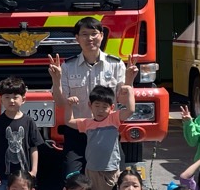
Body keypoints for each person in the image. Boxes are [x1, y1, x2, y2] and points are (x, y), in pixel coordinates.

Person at [48, 17, 135, 179]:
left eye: (94, 34)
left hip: (106, 133)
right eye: (84, 34)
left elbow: (123, 101)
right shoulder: (67, 66)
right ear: (77, 38)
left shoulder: (116, 64)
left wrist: (129, 79)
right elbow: (60, 103)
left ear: (102, 36)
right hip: (77, 132)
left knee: (115, 181)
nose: (90, 38)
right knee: (73, 179)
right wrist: (56, 79)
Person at [66, 78, 137, 190]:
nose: (100, 110)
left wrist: (130, 91)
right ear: (90, 105)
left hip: (109, 171)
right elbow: (68, 121)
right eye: (97, 105)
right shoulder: (87, 123)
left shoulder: (113, 119)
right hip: (91, 170)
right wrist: (69, 105)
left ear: (112, 108)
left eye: (105, 107)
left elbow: (130, 110)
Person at [0, 77, 45, 190]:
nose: (11, 100)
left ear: (23, 99)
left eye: (15, 97)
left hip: (23, 178)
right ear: (1, 100)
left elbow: (34, 147)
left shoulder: (29, 122)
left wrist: (34, 170)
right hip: (1, 176)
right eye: (7, 97)